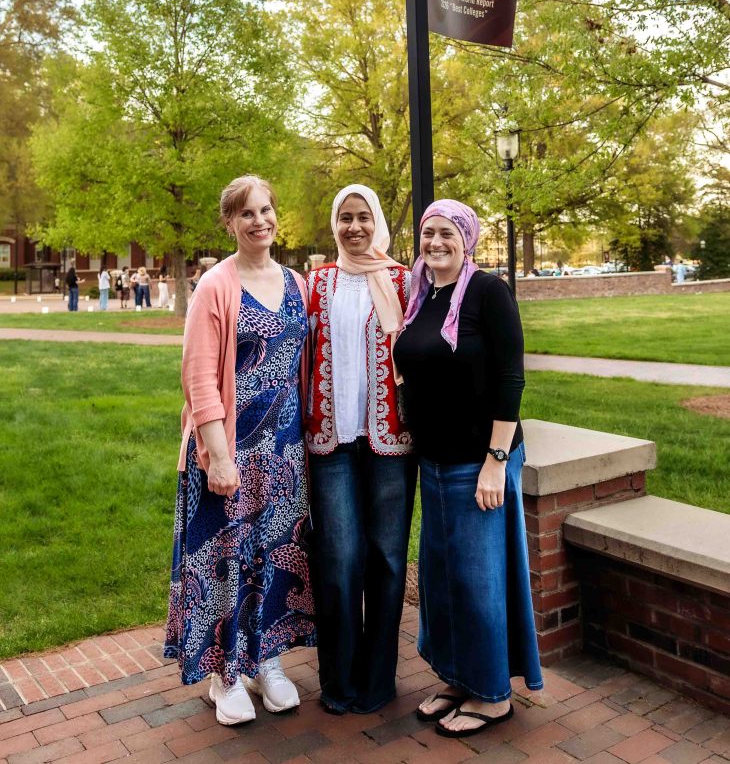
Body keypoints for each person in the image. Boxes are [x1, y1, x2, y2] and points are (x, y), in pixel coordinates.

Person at [164, 175, 315, 726]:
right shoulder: (215, 285)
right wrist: (218, 453)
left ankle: (266, 660)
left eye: (267, 210)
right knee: (224, 563)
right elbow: (199, 375)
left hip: (283, 455)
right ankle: (223, 676)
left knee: (274, 555)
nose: (260, 221)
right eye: (246, 213)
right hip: (227, 451)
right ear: (229, 222)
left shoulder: (297, 282)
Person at [394, 200, 542, 739]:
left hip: (480, 460)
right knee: (442, 579)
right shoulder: (421, 293)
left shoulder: (488, 292)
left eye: (447, 234)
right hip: (433, 460)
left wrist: (496, 463)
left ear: (468, 239)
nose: (435, 242)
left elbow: (510, 380)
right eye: (428, 233)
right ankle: (458, 676)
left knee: (479, 581)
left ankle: (492, 694)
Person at [306, 184, 416, 716]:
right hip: (331, 443)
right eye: (345, 218)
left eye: (363, 217)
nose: (354, 227)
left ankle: (378, 680)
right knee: (340, 560)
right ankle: (339, 680)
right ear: (335, 224)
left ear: (377, 222)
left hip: (391, 442)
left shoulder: (403, 281)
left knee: (388, 561)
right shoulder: (318, 283)